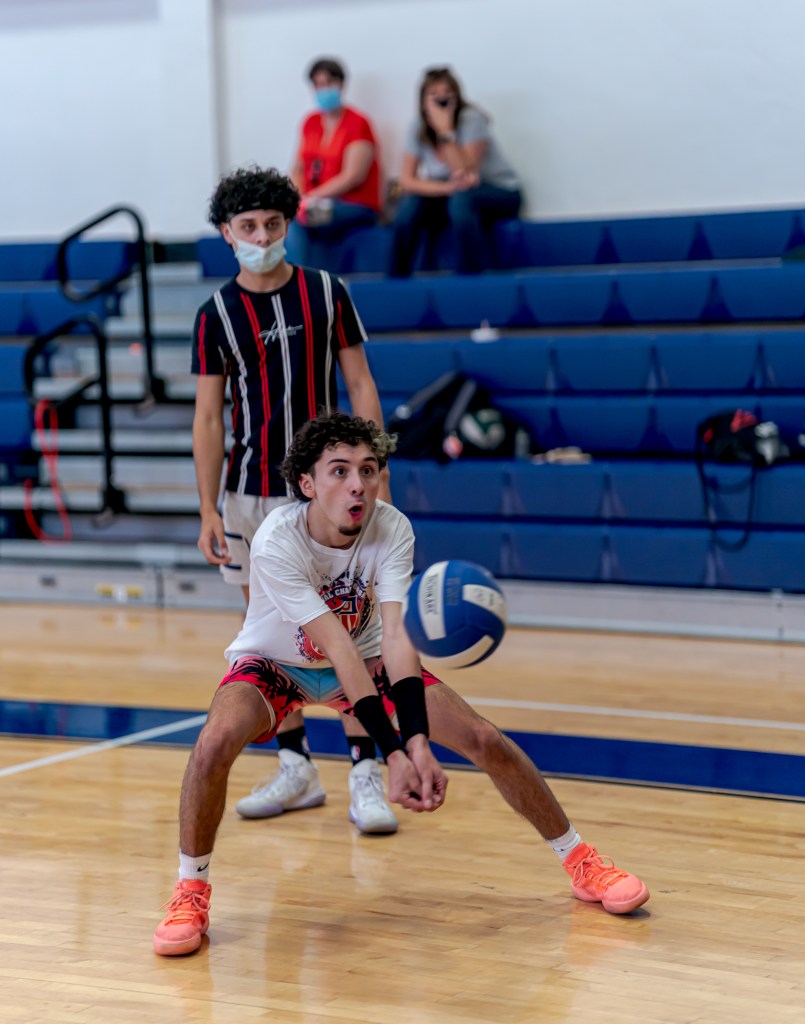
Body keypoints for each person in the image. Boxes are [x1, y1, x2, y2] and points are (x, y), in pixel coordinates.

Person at [153, 411, 650, 957]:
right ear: (307, 484)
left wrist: (417, 742)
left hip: (368, 659)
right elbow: (335, 646)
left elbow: (395, 637)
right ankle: (191, 890)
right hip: (277, 664)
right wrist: (393, 754)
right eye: (340, 471)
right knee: (212, 744)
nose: (358, 484)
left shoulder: (392, 527)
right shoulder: (276, 539)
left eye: (368, 470)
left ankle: (582, 862)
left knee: (483, 738)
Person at [192, 166, 397, 836]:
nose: (261, 236)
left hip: (329, 490)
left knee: (353, 627)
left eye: (273, 224)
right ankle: (296, 765)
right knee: (270, 638)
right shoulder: (215, 314)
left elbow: (361, 384)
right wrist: (207, 507)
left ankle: (366, 771)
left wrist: (376, 471)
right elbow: (207, 417)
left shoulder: (327, 292)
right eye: (248, 226)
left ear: (289, 225)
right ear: (227, 233)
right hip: (250, 492)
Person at [389, 66, 523, 277]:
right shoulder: (418, 126)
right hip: (452, 193)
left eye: (447, 94)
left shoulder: (472, 119)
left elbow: (464, 173)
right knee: (410, 204)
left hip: (498, 192)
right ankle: (396, 280)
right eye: (434, 95)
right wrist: (447, 188)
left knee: (462, 199)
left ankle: (468, 279)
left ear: (457, 97)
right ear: (423, 101)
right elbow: (407, 180)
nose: (440, 100)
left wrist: (446, 131)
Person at [286, 57, 382, 270]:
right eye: (318, 84)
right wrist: (299, 198)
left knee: (302, 217)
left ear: (341, 84)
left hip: (353, 204)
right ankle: (295, 279)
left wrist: (311, 198)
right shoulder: (310, 122)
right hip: (312, 202)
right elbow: (297, 168)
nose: (324, 89)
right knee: (289, 215)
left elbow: (353, 176)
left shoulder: (358, 123)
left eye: (329, 82)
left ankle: (300, 281)